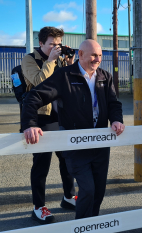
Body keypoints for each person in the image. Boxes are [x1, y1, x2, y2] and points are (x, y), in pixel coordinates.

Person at [21, 39, 125, 220]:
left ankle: (92, 225)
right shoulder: (64, 76)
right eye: (93, 55)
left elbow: (113, 103)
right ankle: (82, 227)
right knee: (88, 190)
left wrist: (116, 120)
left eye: (100, 55)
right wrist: (30, 124)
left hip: (100, 146)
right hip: (76, 146)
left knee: (99, 191)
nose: (97, 59)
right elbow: (33, 96)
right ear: (82, 55)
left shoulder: (104, 77)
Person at [21, 26, 76, 224]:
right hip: (39, 118)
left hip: (59, 116)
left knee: (67, 159)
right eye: (52, 44)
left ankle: (69, 197)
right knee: (41, 164)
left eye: (58, 44)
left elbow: (67, 84)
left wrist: (69, 63)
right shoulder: (29, 59)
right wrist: (52, 60)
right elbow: (38, 83)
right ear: (41, 43)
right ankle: (38, 206)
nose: (56, 47)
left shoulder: (60, 58)